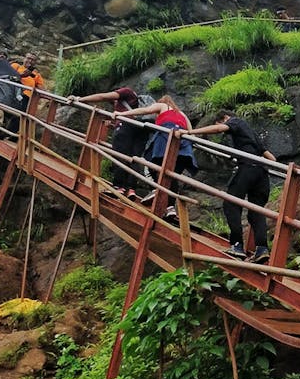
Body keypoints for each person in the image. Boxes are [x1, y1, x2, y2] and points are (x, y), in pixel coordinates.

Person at [185, 110, 277, 263]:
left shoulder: (236, 121)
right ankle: (262, 249)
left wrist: (191, 132)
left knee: (230, 204)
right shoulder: (252, 133)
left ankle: (237, 246)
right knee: (256, 212)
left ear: (225, 118)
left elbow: (219, 129)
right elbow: (271, 158)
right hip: (261, 173)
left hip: (247, 168)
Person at [114, 95, 197, 224]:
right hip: (183, 144)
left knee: (149, 159)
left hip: (167, 138)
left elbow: (145, 111)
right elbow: (191, 132)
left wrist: (122, 113)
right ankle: (170, 208)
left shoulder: (163, 105)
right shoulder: (181, 113)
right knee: (171, 175)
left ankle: (155, 189)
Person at [68, 87, 149, 198]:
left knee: (119, 155)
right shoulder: (134, 103)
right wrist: (112, 125)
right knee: (134, 158)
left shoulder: (125, 92)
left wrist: (80, 99)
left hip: (125, 126)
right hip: (140, 130)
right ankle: (131, 189)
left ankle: (119, 187)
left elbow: (103, 96)